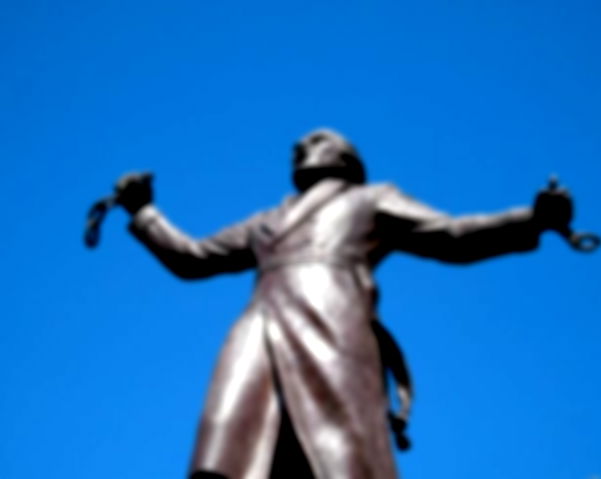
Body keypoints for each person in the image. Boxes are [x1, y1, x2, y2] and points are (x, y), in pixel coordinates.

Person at [115, 129, 572, 479]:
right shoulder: (267, 221)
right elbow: (194, 258)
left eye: (317, 141)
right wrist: (144, 214)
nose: (301, 146)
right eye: (299, 144)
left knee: (341, 458)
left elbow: (451, 236)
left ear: (347, 160)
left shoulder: (372, 200)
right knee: (226, 448)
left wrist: (531, 220)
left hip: (331, 329)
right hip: (259, 331)